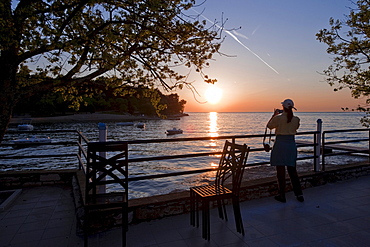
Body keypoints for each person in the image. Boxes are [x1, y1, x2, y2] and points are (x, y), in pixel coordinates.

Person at [266, 99, 304, 203]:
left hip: (280, 145)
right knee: (292, 171)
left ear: (283, 107)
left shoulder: (278, 118)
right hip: (291, 145)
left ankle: (282, 195)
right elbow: (295, 128)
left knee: (280, 172)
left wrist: (274, 115)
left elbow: (269, 126)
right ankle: (299, 194)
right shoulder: (296, 119)